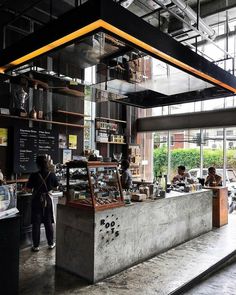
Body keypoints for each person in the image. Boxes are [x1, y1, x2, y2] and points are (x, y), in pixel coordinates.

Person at [26, 155, 59, 252]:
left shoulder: (33, 175)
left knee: (36, 223)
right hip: (47, 200)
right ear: (47, 163)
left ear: (37, 164)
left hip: (36, 200)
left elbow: (28, 189)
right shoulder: (52, 174)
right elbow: (56, 187)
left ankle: (36, 246)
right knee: (48, 222)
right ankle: (51, 243)